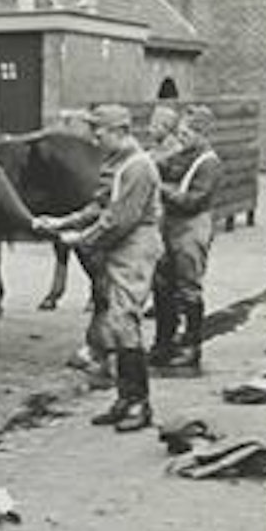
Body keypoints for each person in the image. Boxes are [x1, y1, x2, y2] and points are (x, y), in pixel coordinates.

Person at [35, 104, 163, 432]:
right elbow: (99, 205)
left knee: (124, 320)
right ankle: (124, 399)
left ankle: (139, 403)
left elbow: (118, 220)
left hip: (135, 246)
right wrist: (62, 222)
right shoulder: (117, 162)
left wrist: (81, 239)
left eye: (99, 131)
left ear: (119, 131)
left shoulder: (138, 167)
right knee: (117, 321)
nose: (95, 137)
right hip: (120, 245)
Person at [150, 105, 223, 369]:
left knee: (188, 287)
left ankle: (192, 347)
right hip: (170, 225)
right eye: (179, 133)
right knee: (161, 283)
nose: (179, 138)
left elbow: (193, 201)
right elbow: (159, 167)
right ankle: (163, 341)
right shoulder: (183, 155)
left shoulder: (209, 163)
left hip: (192, 227)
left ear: (201, 134)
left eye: (185, 134)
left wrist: (162, 189)